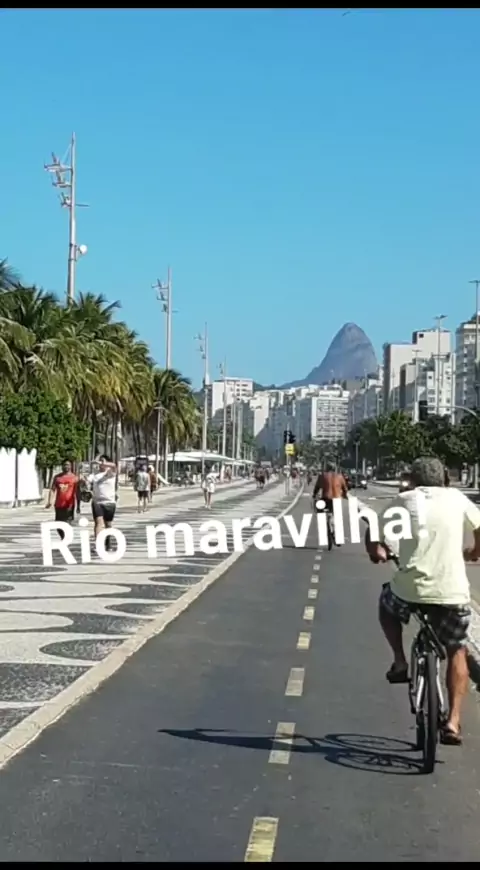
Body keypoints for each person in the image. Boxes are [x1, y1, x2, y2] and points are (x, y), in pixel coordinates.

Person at [366, 456, 480, 746]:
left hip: (409, 591)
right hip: (453, 593)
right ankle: (453, 721)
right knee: (457, 649)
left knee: (386, 603)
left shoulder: (404, 500)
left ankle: (399, 661)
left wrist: (378, 552)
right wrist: (475, 551)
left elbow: (374, 532)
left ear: (413, 480)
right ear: (445, 479)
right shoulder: (458, 499)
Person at [84, 455, 117, 551]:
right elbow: (87, 481)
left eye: (103, 461)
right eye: (100, 461)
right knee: (98, 523)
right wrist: (85, 481)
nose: (100, 463)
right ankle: (98, 545)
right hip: (97, 502)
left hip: (109, 502)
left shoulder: (110, 472)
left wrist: (103, 463)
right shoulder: (95, 474)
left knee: (108, 524)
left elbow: (114, 465)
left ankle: (108, 543)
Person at [312, 463, 348, 544]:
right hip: (336, 499)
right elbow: (345, 488)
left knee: (319, 510)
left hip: (325, 499)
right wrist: (345, 495)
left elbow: (317, 487)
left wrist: (314, 494)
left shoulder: (322, 476)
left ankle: (323, 524)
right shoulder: (339, 476)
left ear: (326, 468)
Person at [46, 460, 80, 539]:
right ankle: (63, 537)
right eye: (64, 465)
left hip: (69, 505)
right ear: (62, 466)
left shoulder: (75, 478)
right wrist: (50, 501)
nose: (66, 466)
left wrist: (78, 506)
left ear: (71, 466)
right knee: (58, 524)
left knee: (67, 523)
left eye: (68, 465)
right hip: (59, 504)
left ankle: (66, 538)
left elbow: (78, 492)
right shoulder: (57, 477)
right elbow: (52, 489)